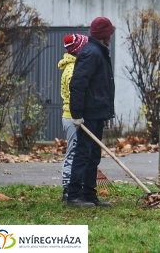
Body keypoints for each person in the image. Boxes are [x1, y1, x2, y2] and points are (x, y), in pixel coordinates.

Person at [66, 17, 115, 208]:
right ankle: (74, 195)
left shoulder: (99, 52)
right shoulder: (91, 53)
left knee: (93, 155)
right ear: (105, 35)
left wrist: (106, 113)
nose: (111, 36)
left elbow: (102, 86)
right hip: (88, 113)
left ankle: (89, 195)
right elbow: (77, 84)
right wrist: (76, 114)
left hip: (97, 112)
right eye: (109, 33)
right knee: (83, 154)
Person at [58, 33, 88, 202]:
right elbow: (75, 95)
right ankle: (67, 188)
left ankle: (75, 186)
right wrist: (79, 116)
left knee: (77, 152)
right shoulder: (72, 70)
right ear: (78, 50)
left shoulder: (76, 66)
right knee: (73, 153)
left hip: (73, 117)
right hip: (72, 117)